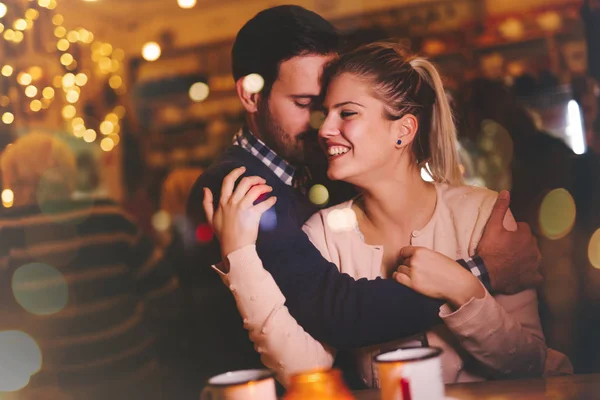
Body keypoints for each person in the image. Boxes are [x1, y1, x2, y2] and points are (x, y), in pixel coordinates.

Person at [187, 5, 542, 387]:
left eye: (337, 110)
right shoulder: (237, 188)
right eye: (307, 105)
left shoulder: (313, 171)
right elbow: (334, 310)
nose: (323, 127)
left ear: (404, 129)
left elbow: (531, 359)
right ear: (251, 96)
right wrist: (480, 273)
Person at [0, 133, 183, 399]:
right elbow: (166, 291)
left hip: (45, 391)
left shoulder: (5, 231)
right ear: (67, 173)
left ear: (12, 178)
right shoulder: (111, 217)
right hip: (130, 377)